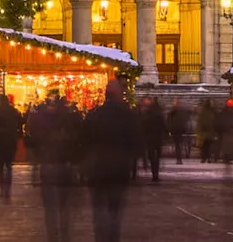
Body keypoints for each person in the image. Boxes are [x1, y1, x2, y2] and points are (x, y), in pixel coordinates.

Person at [82, 80, 141, 242]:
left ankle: (101, 238)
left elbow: (83, 141)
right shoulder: (127, 116)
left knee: (100, 211)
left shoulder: (94, 115)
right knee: (114, 211)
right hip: (118, 170)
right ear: (120, 95)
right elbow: (135, 142)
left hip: (97, 169)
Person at [27, 88, 80, 242]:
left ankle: (53, 234)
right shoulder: (69, 118)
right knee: (63, 205)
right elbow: (77, 138)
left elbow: (31, 139)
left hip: (49, 163)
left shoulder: (40, 119)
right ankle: (64, 233)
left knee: (51, 205)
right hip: (63, 163)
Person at [0, 95, 24, 198]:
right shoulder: (13, 111)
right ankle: (7, 187)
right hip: (10, 140)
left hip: (0, 141)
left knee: (1, 165)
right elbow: (21, 121)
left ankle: (2, 187)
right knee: (8, 165)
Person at [138, 96, 166, 181]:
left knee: (153, 157)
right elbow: (163, 125)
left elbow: (143, 125)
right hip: (155, 137)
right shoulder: (157, 113)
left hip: (151, 137)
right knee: (155, 157)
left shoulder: (146, 114)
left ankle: (154, 173)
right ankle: (155, 174)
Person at [166, 100, 190, 164]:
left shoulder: (172, 112)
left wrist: (169, 129)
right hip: (180, 130)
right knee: (179, 145)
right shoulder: (182, 112)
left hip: (175, 130)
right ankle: (179, 158)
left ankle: (178, 159)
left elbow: (169, 121)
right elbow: (185, 120)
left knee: (177, 145)